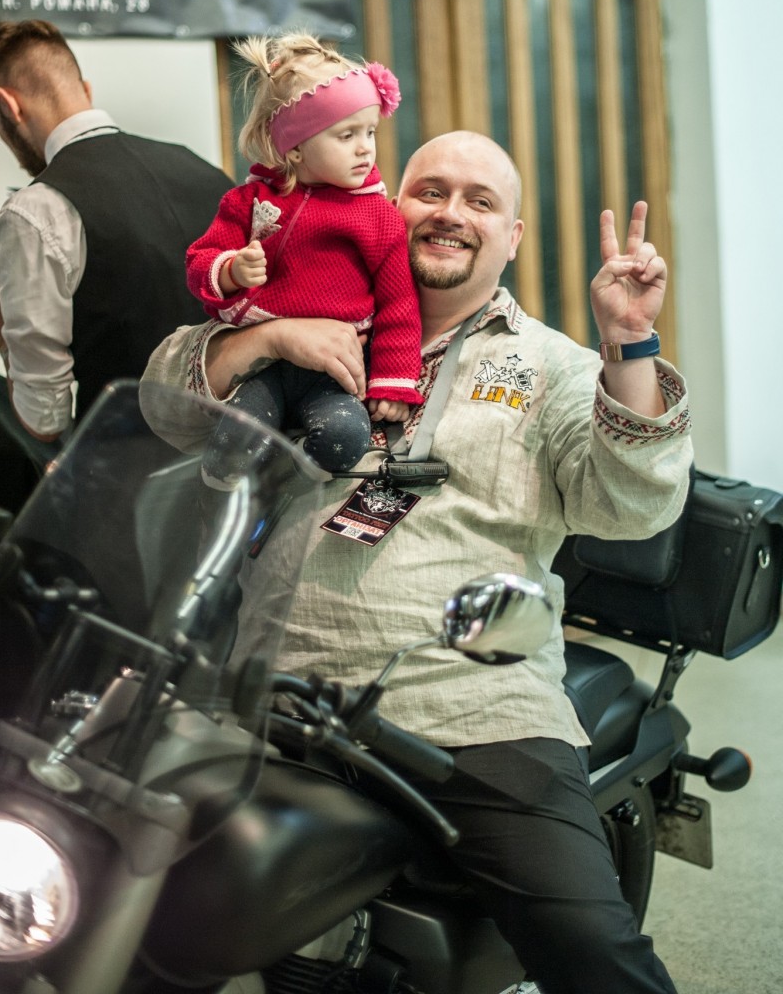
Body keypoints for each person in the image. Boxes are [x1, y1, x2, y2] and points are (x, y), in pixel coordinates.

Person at [143, 130, 693, 994]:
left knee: (592, 951)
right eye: (430, 191)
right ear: (389, 211)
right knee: (134, 913)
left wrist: (630, 345)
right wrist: (268, 339)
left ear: (512, 237)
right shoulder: (316, 320)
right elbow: (165, 405)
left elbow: (632, 506)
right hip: (281, 692)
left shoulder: (548, 365)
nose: (450, 213)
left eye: (481, 201)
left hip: (474, 707)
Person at [0, 18, 233, 506]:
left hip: (130, 504)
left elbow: (45, 418)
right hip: (242, 483)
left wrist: (2, 334)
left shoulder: (33, 212)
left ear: (6, 106)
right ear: (86, 90)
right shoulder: (203, 171)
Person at [185, 32, 422, 481]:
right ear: (294, 147)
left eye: (370, 132)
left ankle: (300, 478)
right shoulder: (249, 201)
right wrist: (232, 270)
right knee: (234, 439)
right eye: (346, 135)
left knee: (345, 436)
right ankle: (223, 490)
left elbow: (399, 305)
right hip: (261, 364)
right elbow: (200, 261)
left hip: (336, 372)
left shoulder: (379, 217)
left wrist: (393, 380)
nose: (365, 147)